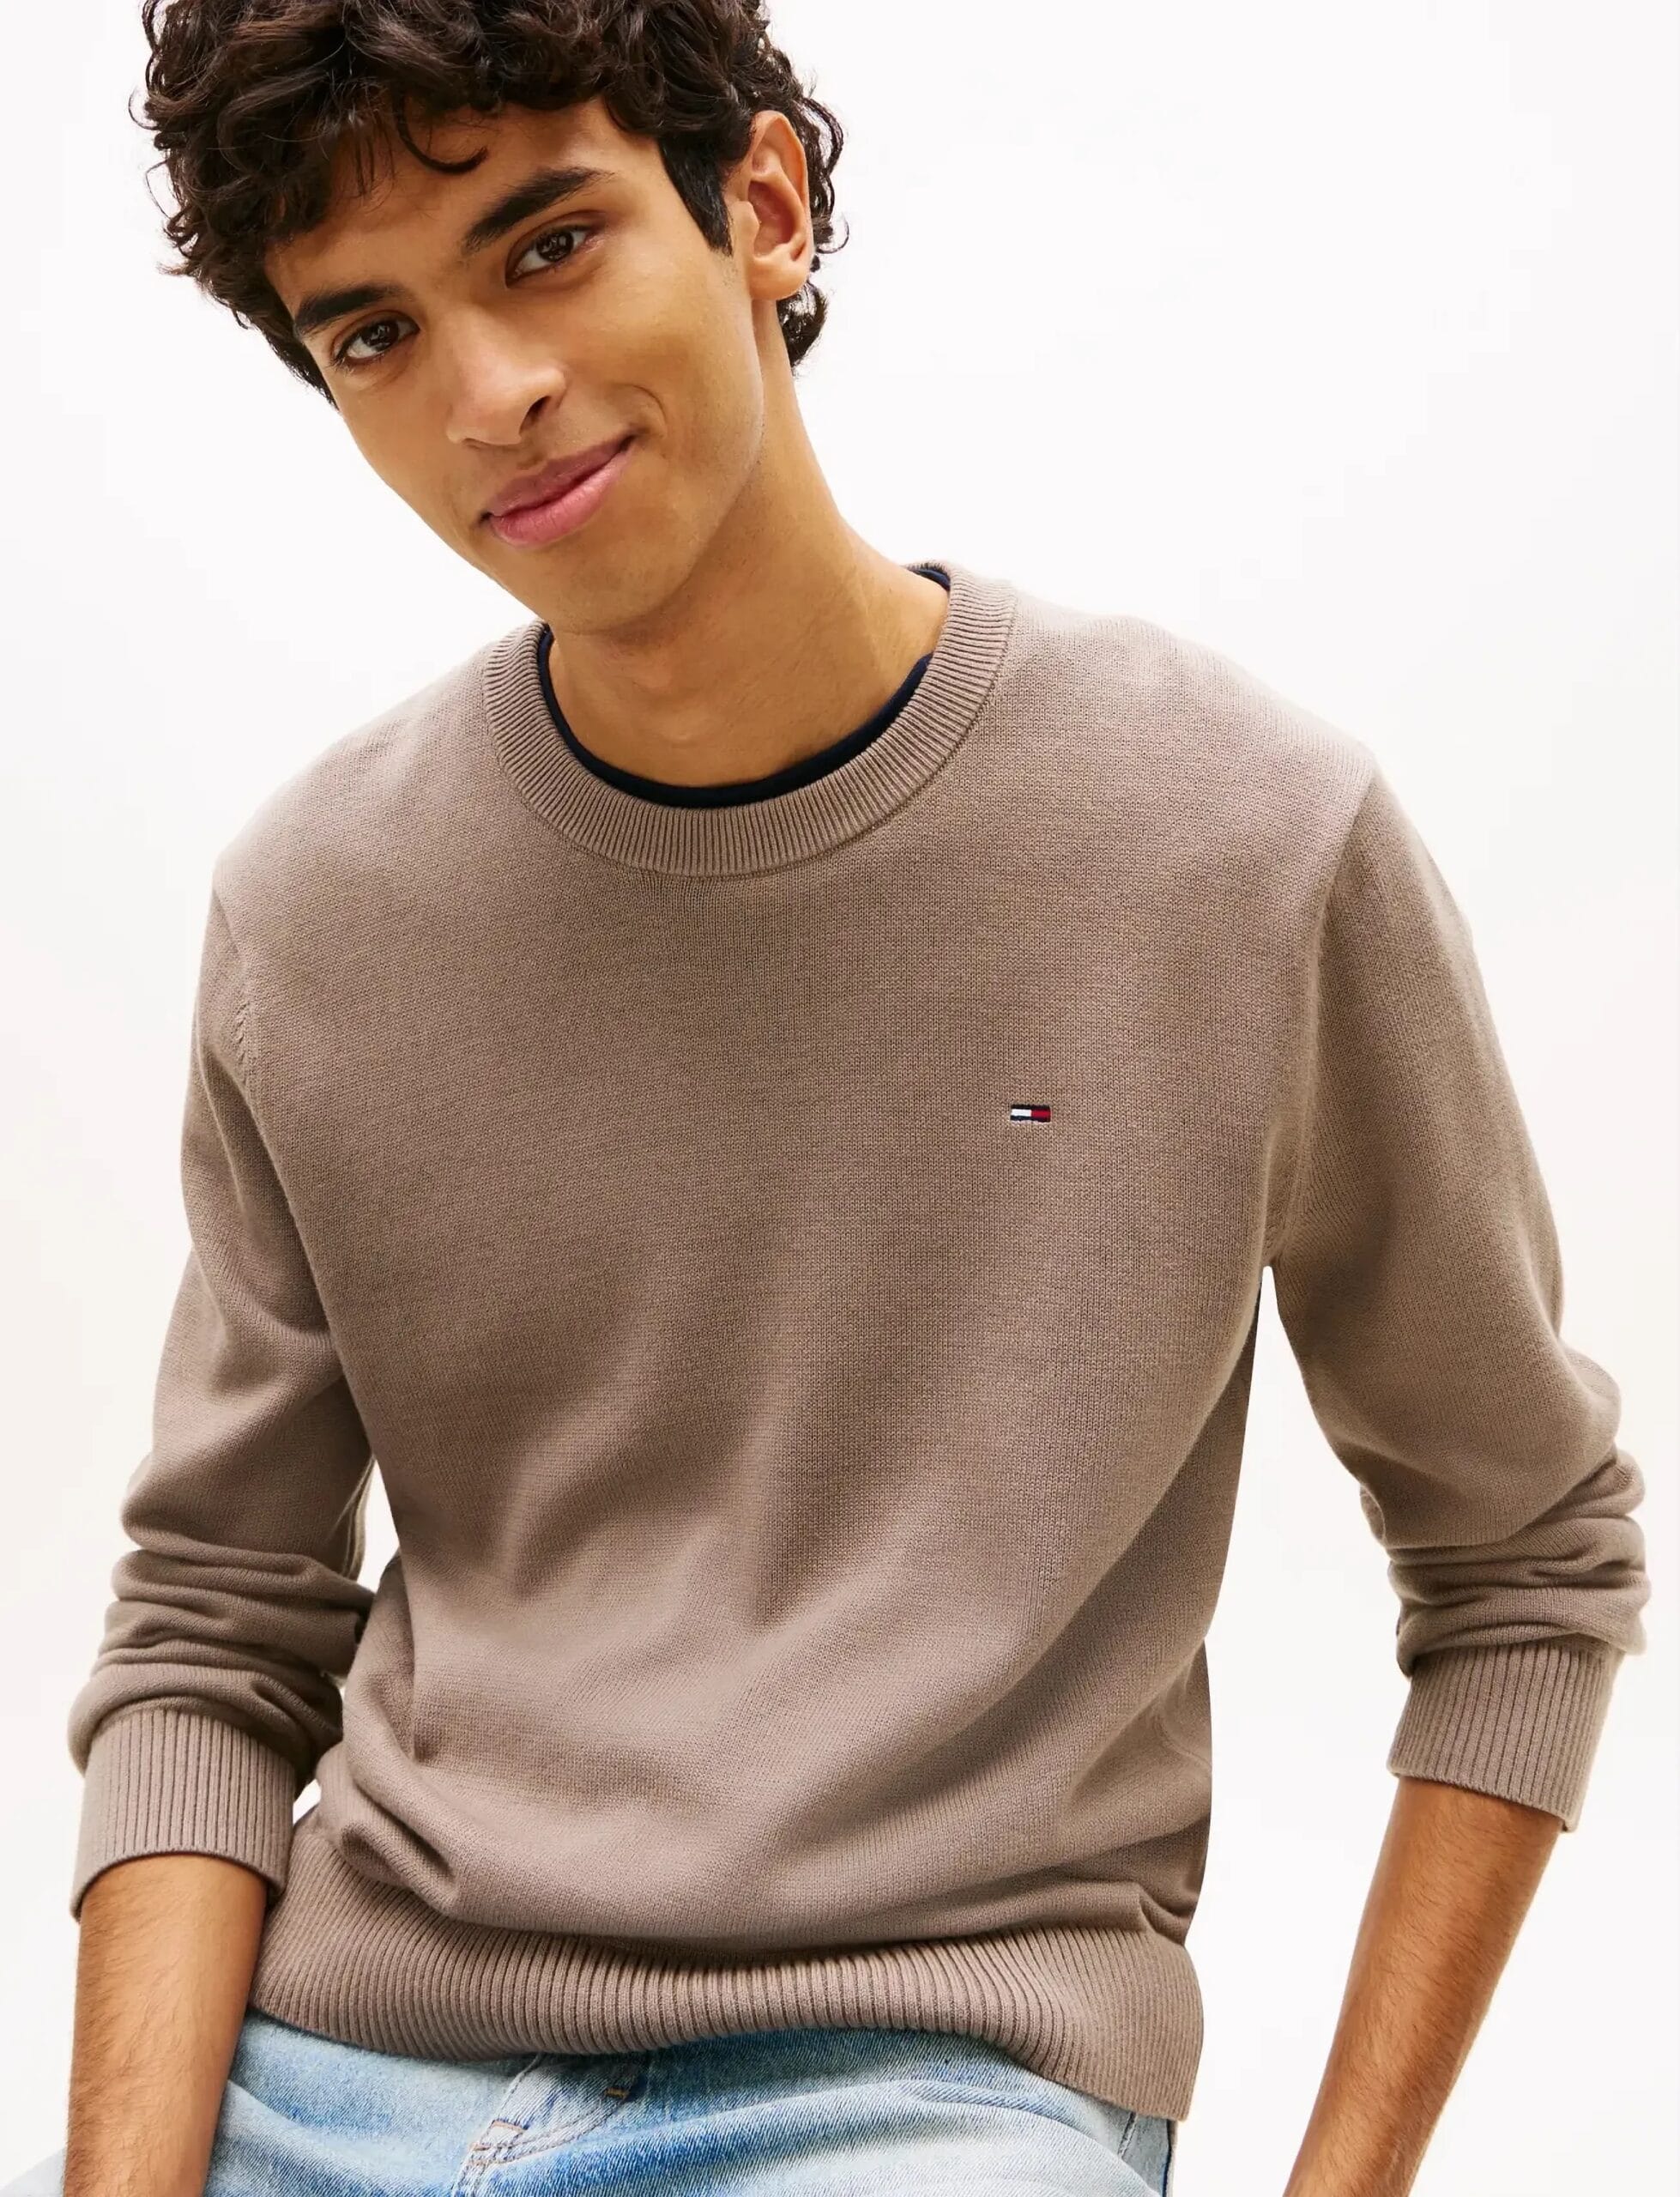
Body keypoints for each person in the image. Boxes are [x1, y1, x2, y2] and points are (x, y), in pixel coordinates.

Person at [6, 3, 1651, 2194]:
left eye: (546, 244)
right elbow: (212, 1629)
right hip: (341, 2064)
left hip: (928, 2095)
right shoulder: (317, 907)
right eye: (374, 333)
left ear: (759, 207)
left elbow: (1524, 1558)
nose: (488, 392)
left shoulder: (1239, 841)